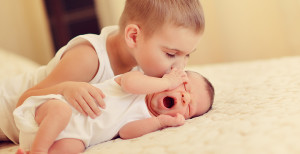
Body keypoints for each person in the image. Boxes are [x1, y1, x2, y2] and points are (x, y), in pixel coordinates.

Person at [0, 0, 205, 143]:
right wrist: (65, 89)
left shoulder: (143, 63)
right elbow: (23, 102)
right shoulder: (88, 58)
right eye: (171, 54)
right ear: (133, 37)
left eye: (187, 55)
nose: (179, 66)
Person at [14, 69, 215, 154]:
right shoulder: (139, 81)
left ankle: (32, 150)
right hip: (51, 111)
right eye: (185, 87)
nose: (185, 98)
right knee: (61, 111)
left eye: (189, 107)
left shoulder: (148, 118)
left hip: (73, 135)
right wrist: (165, 82)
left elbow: (126, 132)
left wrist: (160, 123)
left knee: (74, 148)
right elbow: (130, 83)